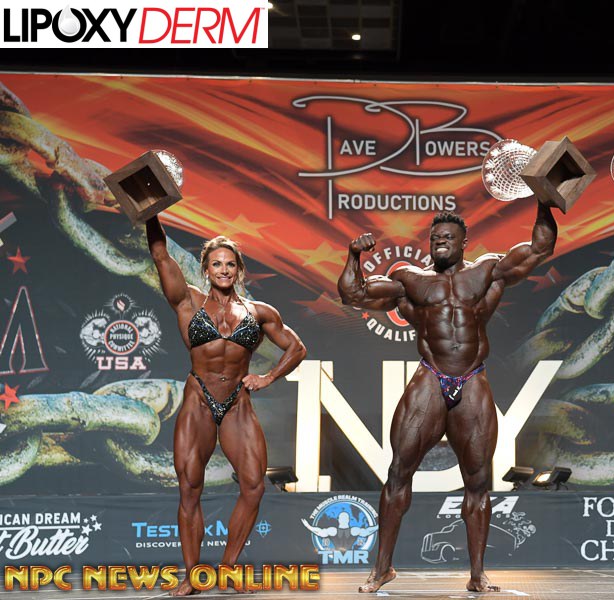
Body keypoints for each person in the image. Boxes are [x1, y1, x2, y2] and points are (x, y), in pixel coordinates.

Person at [338, 205, 558, 593]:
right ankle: (382, 569)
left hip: (472, 377)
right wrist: (354, 256)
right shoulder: (409, 279)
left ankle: (477, 575)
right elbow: (352, 294)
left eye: (448, 237)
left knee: (477, 480)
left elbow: (540, 248)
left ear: (464, 242)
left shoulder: (487, 271)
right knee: (398, 472)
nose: (440, 240)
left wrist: (543, 201)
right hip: (431, 376)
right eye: (435, 237)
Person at [145, 215, 306, 596]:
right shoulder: (187, 300)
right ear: (205, 269)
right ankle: (193, 575)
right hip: (199, 399)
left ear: (239, 270)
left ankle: (228, 568)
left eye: (230, 264)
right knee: (190, 488)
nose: (223, 270)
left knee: (253, 486)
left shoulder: (259, 312)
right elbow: (160, 253)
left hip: (237, 404)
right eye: (216, 263)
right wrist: (151, 211)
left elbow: (296, 347)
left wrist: (268, 377)